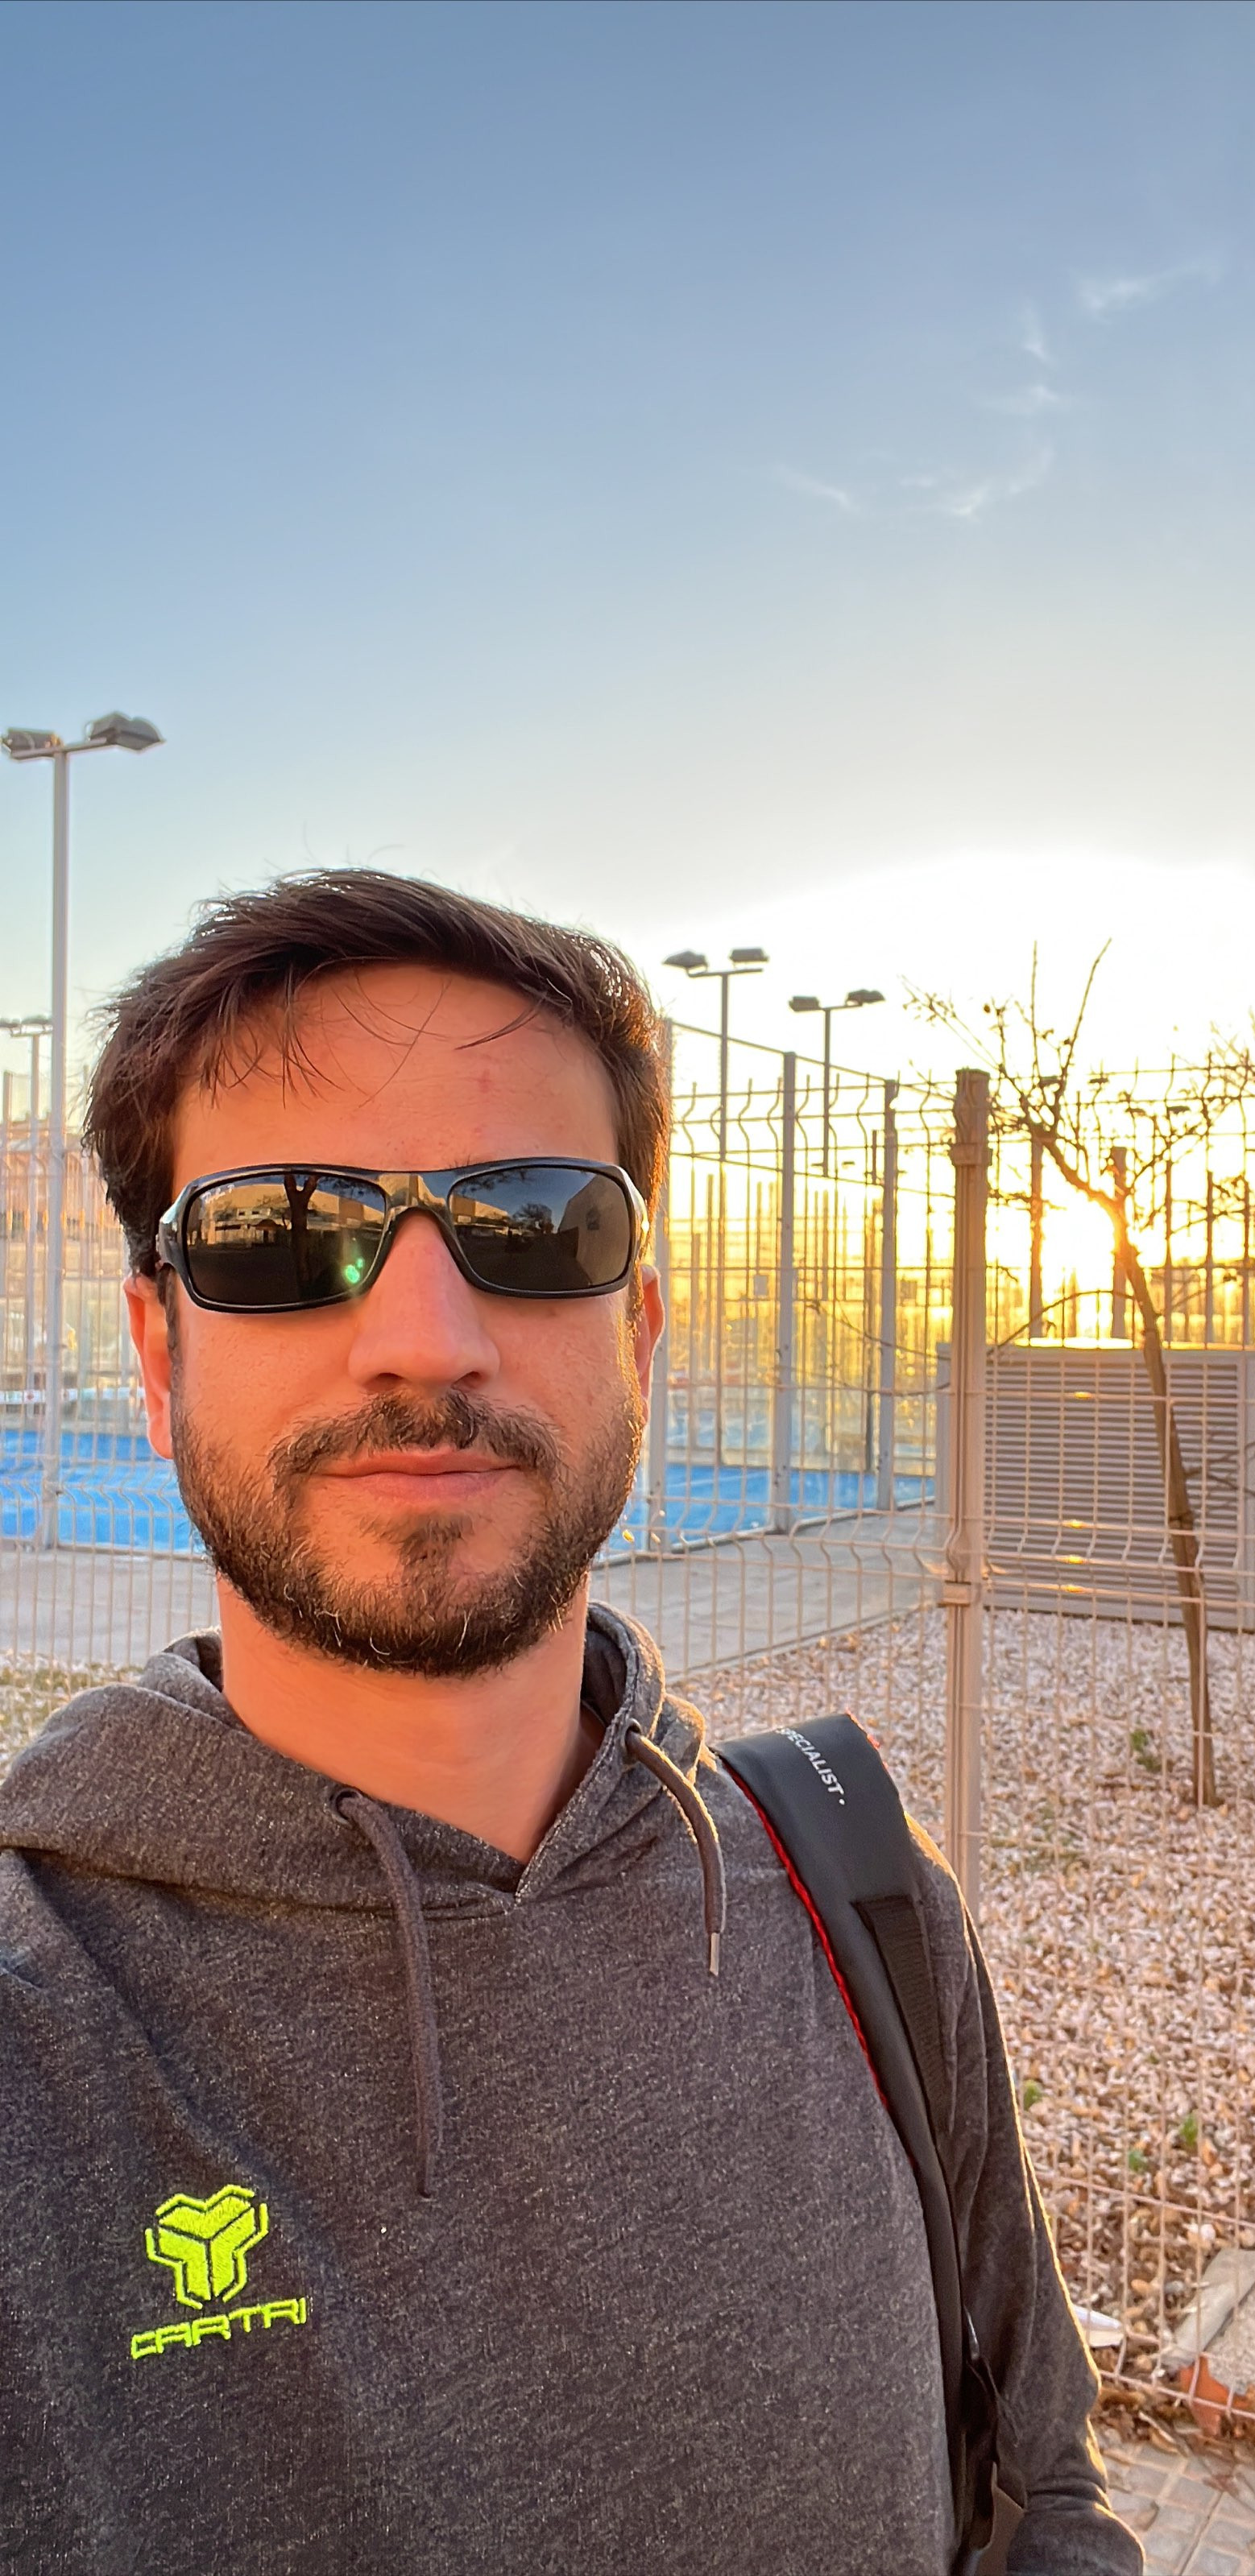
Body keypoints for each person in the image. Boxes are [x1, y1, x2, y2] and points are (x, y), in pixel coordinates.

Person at [0, 870, 1141, 2574]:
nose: (423, 1336)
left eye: (533, 1225)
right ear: (158, 1355)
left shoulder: (859, 1896)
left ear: (643, 1334)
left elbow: (1044, 2493)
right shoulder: (40, 2038)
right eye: (281, 1233)